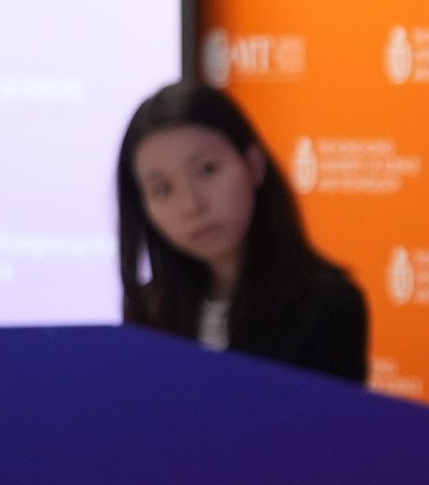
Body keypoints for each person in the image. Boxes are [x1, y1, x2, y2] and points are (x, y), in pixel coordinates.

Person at [116, 81, 367, 382]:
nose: (191, 205)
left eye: (207, 170)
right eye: (162, 189)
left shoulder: (327, 307)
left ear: (253, 165)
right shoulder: (149, 308)